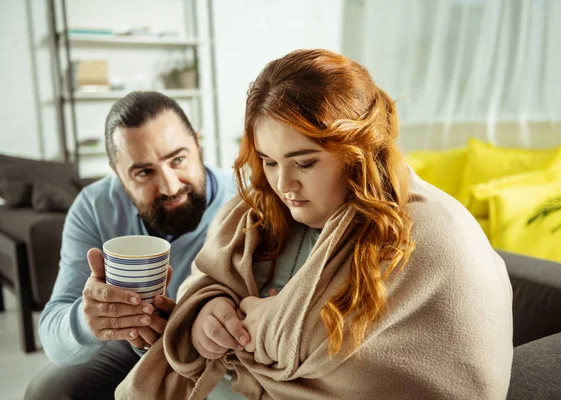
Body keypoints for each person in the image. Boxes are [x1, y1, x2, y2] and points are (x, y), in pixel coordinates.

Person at [116, 49, 513, 399]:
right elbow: (202, 284)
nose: (284, 184)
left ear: (358, 152)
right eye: (270, 162)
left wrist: (261, 323)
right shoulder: (259, 210)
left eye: (304, 163)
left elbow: (334, 347)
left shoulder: (423, 229)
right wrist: (207, 311)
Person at [25, 91, 237, 400]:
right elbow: (54, 337)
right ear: (117, 174)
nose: (170, 186)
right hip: (126, 343)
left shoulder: (244, 199)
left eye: (178, 159)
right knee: (48, 391)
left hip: (212, 350)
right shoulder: (95, 207)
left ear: (197, 143)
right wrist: (90, 320)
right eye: (143, 172)